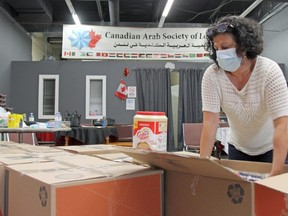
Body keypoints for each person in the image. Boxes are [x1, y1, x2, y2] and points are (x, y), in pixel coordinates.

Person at [199, 15, 288, 177]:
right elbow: (210, 122)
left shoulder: (269, 71)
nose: (220, 53)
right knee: (240, 197)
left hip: (271, 148)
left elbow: (282, 124)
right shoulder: (212, 75)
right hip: (238, 148)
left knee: (271, 197)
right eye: (217, 48)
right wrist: (202, 167)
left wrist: (275, 173)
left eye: (225, 47)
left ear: (244, 46)